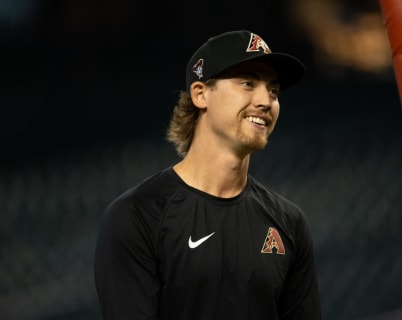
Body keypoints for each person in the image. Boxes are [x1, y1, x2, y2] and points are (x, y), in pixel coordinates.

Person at [94, 30, 322, 320]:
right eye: (248, 83)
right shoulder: (137, 216)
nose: (266, 101)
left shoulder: (289, 223)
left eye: (274, 90)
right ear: (201, 94)